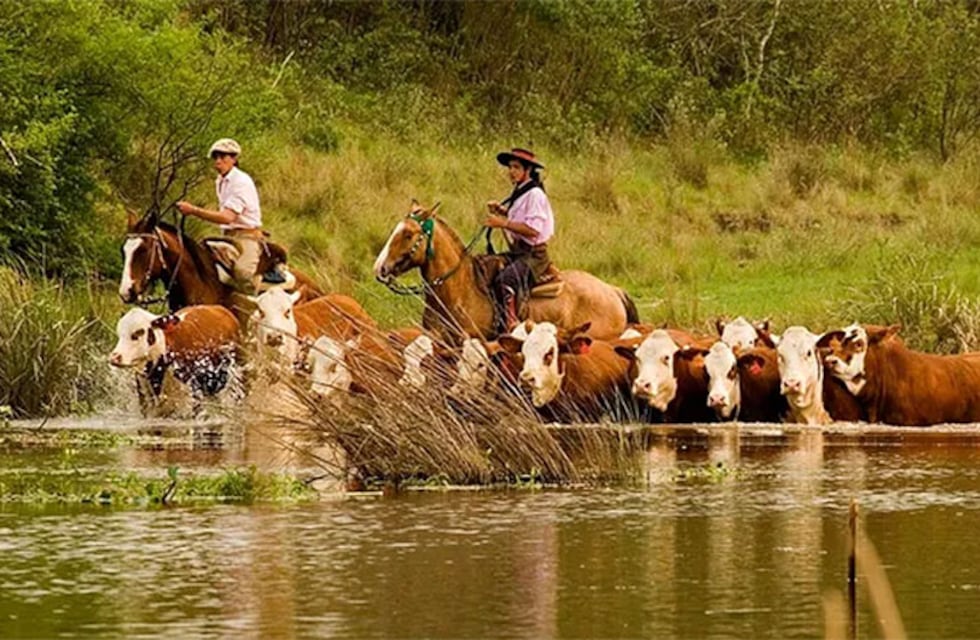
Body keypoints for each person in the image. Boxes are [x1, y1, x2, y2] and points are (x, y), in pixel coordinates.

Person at [177, 138, 285, 290]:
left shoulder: (241, 181)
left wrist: (193, 210)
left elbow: (227, 217)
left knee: (242, 273)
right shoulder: (220, 180)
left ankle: (253, 303)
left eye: (223, 156)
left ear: (234, 159)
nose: (218, 161)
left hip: (247, 237)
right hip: (228, 236)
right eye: (215, 157)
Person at [485, 147, 555, 332]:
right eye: (510, 167)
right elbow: (523, 219)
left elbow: (533, 229)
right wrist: (503, 212)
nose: (511, 172)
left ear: (528, 170)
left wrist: (503, 222)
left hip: (533, 255)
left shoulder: (535, 194)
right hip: (519, 251)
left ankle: (510, 323)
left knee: (505, 280)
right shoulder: (522, 191)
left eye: (516, 167)